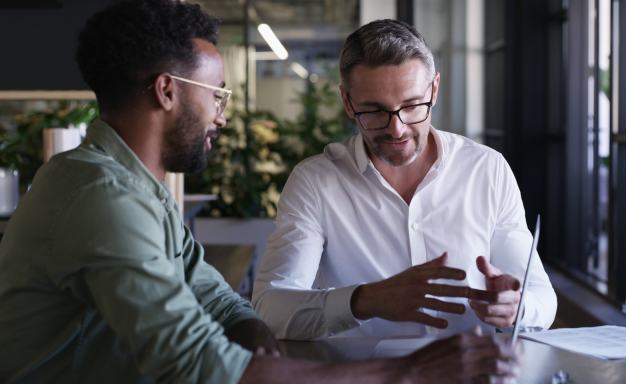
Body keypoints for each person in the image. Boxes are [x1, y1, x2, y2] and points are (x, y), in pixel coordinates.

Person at [0, 1, 519, 383]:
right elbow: (198, 364)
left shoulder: (138, 188)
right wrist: (406, 372)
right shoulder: (100, 196)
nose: (222, 114)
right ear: (166, 91)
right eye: (217, 93)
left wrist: (253, 334)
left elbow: (216, 297)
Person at [252, 19, 557, 340]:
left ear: (434, 90)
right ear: (347, 102)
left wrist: (515, 307)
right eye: (374, 111)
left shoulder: (488, 170)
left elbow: (542, 299)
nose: (396, 129)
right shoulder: (315, 182)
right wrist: (364, 300)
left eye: (412, 106)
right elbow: (271, 309)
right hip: (366, 374)